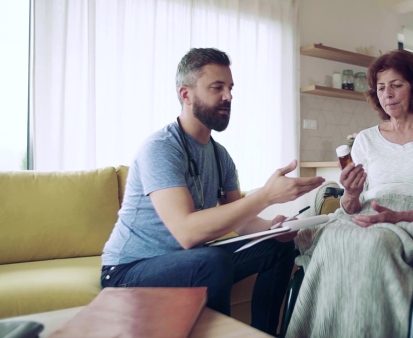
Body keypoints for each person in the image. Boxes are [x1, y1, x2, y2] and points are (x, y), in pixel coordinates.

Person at [101, 47, 325, 336]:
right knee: (211, 260)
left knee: (278, 248)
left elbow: (242, 221)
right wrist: (266, 195)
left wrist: (272, 228)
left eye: (230, 88)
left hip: (190, 259)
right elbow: (187, 233)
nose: (229, 96)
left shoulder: (220, 157)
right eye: (217, 87)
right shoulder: (161, 149)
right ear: (186, 94)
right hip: (129, 271)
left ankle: (266, 333)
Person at [286, 49, 413, 337]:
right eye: (381, 88)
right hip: (369, 211)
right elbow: (350, 207)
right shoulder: (366, 139)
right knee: (333, 236)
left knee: (375, 244)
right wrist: (351, 193)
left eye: (396, 85)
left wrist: (399, 216)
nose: (387, 94)